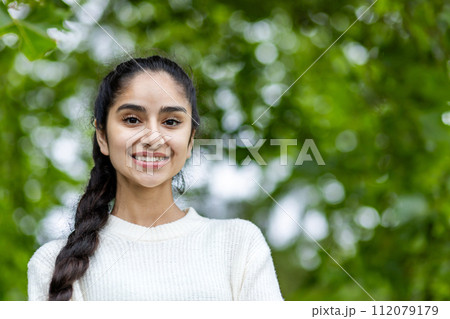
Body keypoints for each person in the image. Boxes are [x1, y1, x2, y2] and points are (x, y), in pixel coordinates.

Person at [27, 55, 284, 301]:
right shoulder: (53, 264)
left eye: (171, 122)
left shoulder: (239, 245)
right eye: (132, 119)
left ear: (190, 139)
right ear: (103, 136)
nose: (152, 137)